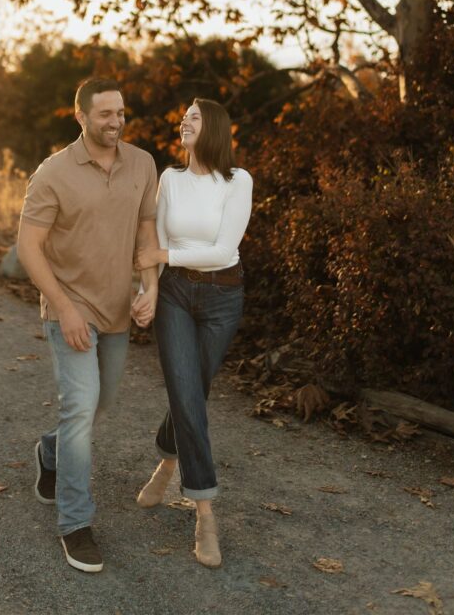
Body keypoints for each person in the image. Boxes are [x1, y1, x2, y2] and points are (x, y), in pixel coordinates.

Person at [17, 78, 159, 574]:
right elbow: (28, 248)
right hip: (69, 308)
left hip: (118, 307)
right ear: (80, 117)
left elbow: (146, 231)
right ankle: (75, 524)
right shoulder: (52, 173)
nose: (116, 122)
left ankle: (50, 452)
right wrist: (64, 306)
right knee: (80, 408)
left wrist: (151, 287)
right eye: (105, 114)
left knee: (101, 403)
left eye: (120, 113)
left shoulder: (142, 164)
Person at [134, 98, 252, 568]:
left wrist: (163, 261)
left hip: (224, 297)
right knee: (185, 391)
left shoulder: (237, 181)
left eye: (194, 117)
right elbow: (156, 241)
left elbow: (224, 249)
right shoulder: (170, 179)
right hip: (176, 297)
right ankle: (204, 511)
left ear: (214, 128)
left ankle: (166, 461)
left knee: (193, 391)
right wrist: (148, 290)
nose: (184, 121)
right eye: (182, 116)